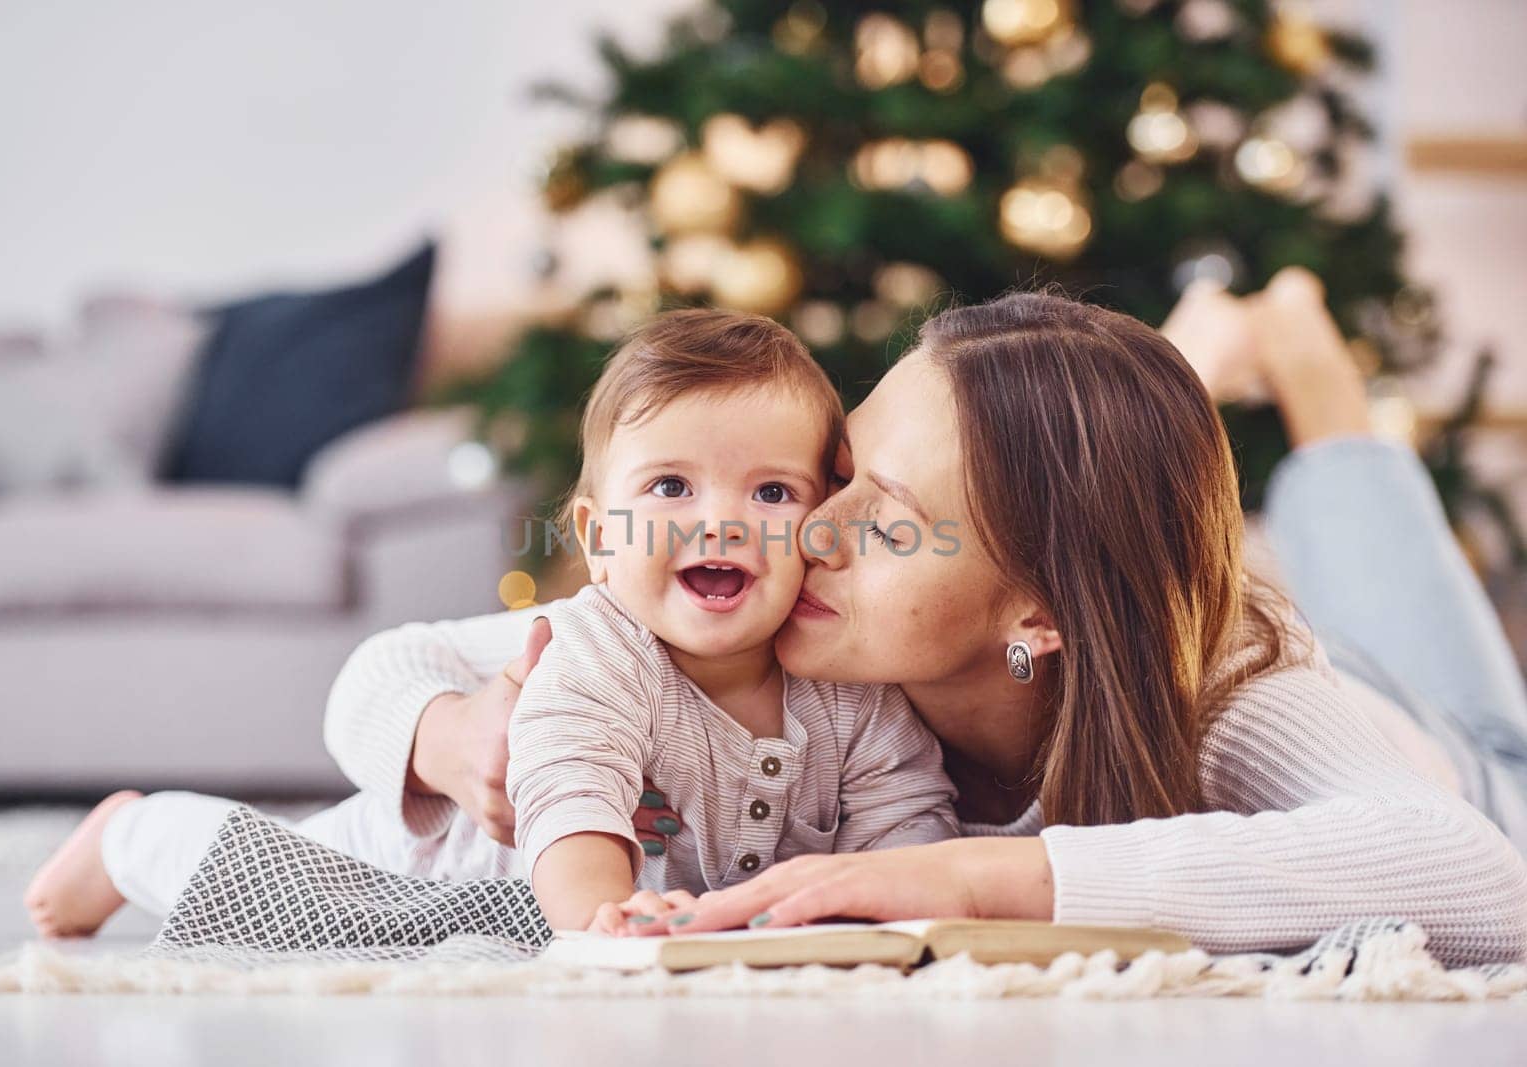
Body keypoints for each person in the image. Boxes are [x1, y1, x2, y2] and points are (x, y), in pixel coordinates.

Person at [323, 271, 1527, 966]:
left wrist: (969, 874)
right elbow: (397, 663)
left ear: (1039, 614)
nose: (812, 529)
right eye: (836, 471)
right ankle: (1183, 359)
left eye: (886, 519)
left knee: (1469, 685)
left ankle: (1311, 366)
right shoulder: (792, 615)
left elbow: (1480, 878)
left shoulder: (1231, 681)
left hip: (1468, 761)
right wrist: (447, 732)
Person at [23, 309, 958, 938]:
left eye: (770, 490)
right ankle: (126, 836)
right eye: (670, 485)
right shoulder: (594, 649)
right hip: (423, 869)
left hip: (575, 922)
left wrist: (886, 920)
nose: (719, 520)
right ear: (597, 536)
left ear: (821, 518)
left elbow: (906, 823)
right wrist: (603, 924)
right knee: (271, 899)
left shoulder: (849, 689)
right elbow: (575, 798)